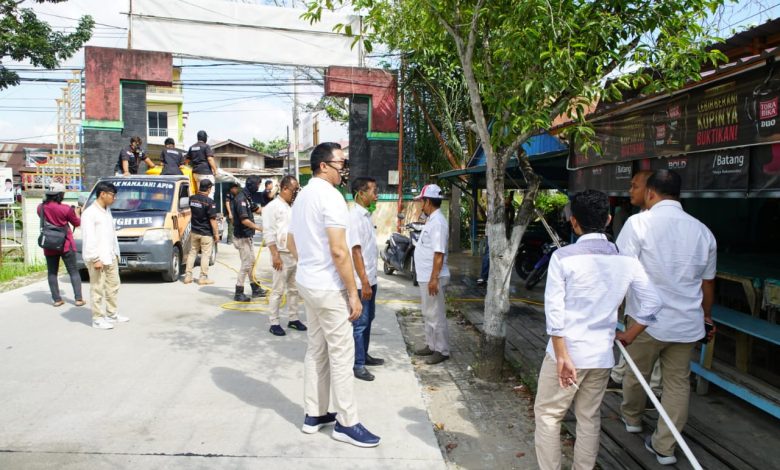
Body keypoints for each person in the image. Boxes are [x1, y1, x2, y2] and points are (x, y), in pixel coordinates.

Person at [534, 190, 661, 470]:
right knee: (589, 417)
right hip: (601, 356)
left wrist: (562, 355)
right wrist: (630, 334)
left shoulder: (563, 258)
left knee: (549, 415)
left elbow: (555, 312)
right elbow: (653, 303)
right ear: (608, 219)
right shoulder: (627, 261)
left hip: (565, 354)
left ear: (574, 222)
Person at [617, 170, 717, 466]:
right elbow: (707, 283)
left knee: (637, 374)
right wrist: (707, 317)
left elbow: (621, 272)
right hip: (687, 324)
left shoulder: (638, 223)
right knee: (678, 384)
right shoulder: (703, 231)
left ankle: (632, 419)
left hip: (644, 322)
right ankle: (665, 446)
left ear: (650, 192)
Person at [289, 142, 380, 448]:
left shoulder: (302, 196)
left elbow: (292, 242)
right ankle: (347, 422)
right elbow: (340, 251)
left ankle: (314, 414)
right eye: (341, 162)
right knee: (341, 354)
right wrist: (353, 294)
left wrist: (309, 265)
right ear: (323, 165)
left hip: (308, 282)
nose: (345, 168)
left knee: (316, 349)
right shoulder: (331, 197)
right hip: (328, 287)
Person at [609, 170, 662, 392]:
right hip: (640, 302)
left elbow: (621, 265)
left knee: (648, 355)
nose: (630, 190)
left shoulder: (640, 222)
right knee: (634, 345)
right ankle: (621, 376)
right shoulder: (639, 218)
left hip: (650, 303)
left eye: (635, 186)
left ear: (650, 191)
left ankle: (650, 393)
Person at [349, 176, 383, 382]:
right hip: (362, 282)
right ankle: (358, 364)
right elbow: (356, 252)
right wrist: (364, 282)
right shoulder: (354, 217)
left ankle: (364, 355)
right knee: (360, 323)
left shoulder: (366, 216)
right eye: (373, 191)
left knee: (368, 319)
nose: (376, 195)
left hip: (371, 279)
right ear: (361, 194)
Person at [81, 181, 128, 330]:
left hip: (110, 255)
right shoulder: (90, 213)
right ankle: (97, 318)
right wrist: (95, 258)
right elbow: (89, 238)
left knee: (113, 286)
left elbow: (111, 234)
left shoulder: (107, 211)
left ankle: (112, 314)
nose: (114, 198)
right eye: (112, 195)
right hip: (97, 258)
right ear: (103, 194)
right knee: (97, 289)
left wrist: (116, 253)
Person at [413, 184, 451, 365]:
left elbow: (439, 253)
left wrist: (434, 278)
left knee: (436, 314)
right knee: (428, 313)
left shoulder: (438, 223)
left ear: (428, 201)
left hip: (433, 277)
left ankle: (442, 350)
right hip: (426, 276)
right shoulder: (432, 220)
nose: (421, 205)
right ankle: (431, 344)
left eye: (422, 201)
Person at [263, 175, 306, 336]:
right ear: (285, 188)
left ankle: (293, 318)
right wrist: (275, 255)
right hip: (281, 254)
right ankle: (274, 322)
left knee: (294, 289)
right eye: (294, 190)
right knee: (278, 290)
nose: (295, 193)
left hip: (294, 253)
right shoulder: (272, 207)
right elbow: (269, 233)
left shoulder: (292, 207)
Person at [38, 183, 84, 307]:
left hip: (49, 244)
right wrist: (77, 212)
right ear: (60, 195)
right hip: (65, 244)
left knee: (52, 272)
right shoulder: (66, 209)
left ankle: (57, 300)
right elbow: (77, 223)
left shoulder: (40, 208)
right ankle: (78, 299)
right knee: (73, 271)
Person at [232, 175, 265, 302]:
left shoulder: (247, 197)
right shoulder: (241, 199)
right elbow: (244, 220)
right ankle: (238, 292)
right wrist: (260, 228)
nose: (258, 187)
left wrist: (273, 210)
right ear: (252, 185)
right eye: (257, 185)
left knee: (252, 262)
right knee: (246, 264)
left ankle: (255, 288)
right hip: (242, 237)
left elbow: (257, 209)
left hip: (247, 236)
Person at [184, 179, 219, 285]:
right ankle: (203, 278)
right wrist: (216, 234)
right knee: (205, 255)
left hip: (194, 231)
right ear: (209, 189)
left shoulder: (192, 199)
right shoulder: (210, 202)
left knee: (192, 253)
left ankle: (188, 276)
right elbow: (213, 220)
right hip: (206, 233)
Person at [477, 191, 516, 285]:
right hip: (493, 232)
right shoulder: (495, 204)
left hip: (501, 233)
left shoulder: (508, 207)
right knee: (489, 254)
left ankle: (494, 276)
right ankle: (484, 276)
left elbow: (511, 215)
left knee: (499, 255)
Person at [186, 130, 218, 198]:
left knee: (200, 193)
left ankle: (200, 204)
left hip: (196, 174)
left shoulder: (192, 147)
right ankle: (209, 205)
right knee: (210, 192)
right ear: (205, 137)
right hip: (205, 173)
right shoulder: (206, 146)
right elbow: (210, 159)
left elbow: (187, 160)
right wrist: (215, 170)